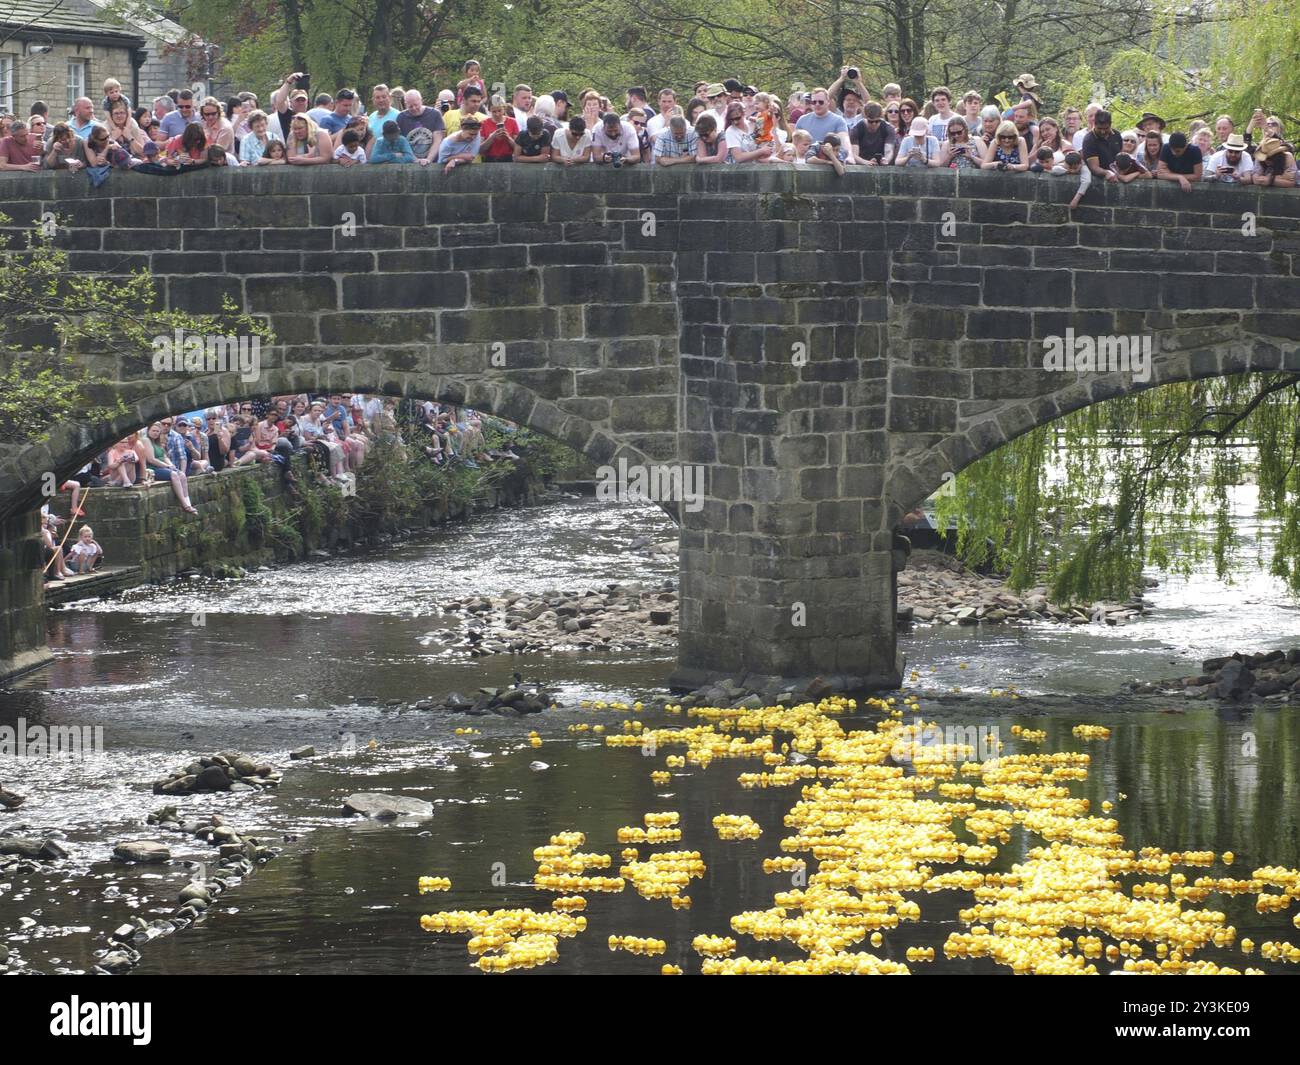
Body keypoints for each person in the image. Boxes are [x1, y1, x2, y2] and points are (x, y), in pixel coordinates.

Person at [397, 89, 445, 165]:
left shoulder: (435, 114)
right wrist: (415, 160)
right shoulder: (401, 117)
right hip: (410, 163)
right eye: (410, 106)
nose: (414, 108)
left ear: (421, 101)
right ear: (405, 105)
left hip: (434, 162)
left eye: (416, 105)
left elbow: (438, 140)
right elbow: (401, 143)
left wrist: (428, 159)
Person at [794, 88, 848, 155]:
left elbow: (845, 141)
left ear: (828, 102)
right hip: (805, 160)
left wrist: (850, 156)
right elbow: (795, 143)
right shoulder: (802, 120)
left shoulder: (838, 120)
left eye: (821, 102)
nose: (817, 104)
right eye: (814, 102)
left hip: (827, 160)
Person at [1081, 109, 1122, 183]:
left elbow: (1120, 155)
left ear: (1110, 124)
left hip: (1117, 176)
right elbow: (1094, 167)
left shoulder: (1117, 135)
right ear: (1095, 124)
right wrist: (1106, 172)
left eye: (1106, 128)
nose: (1103, 132)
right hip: (1097, 181)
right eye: (1099, 128)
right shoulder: (1089, 140)